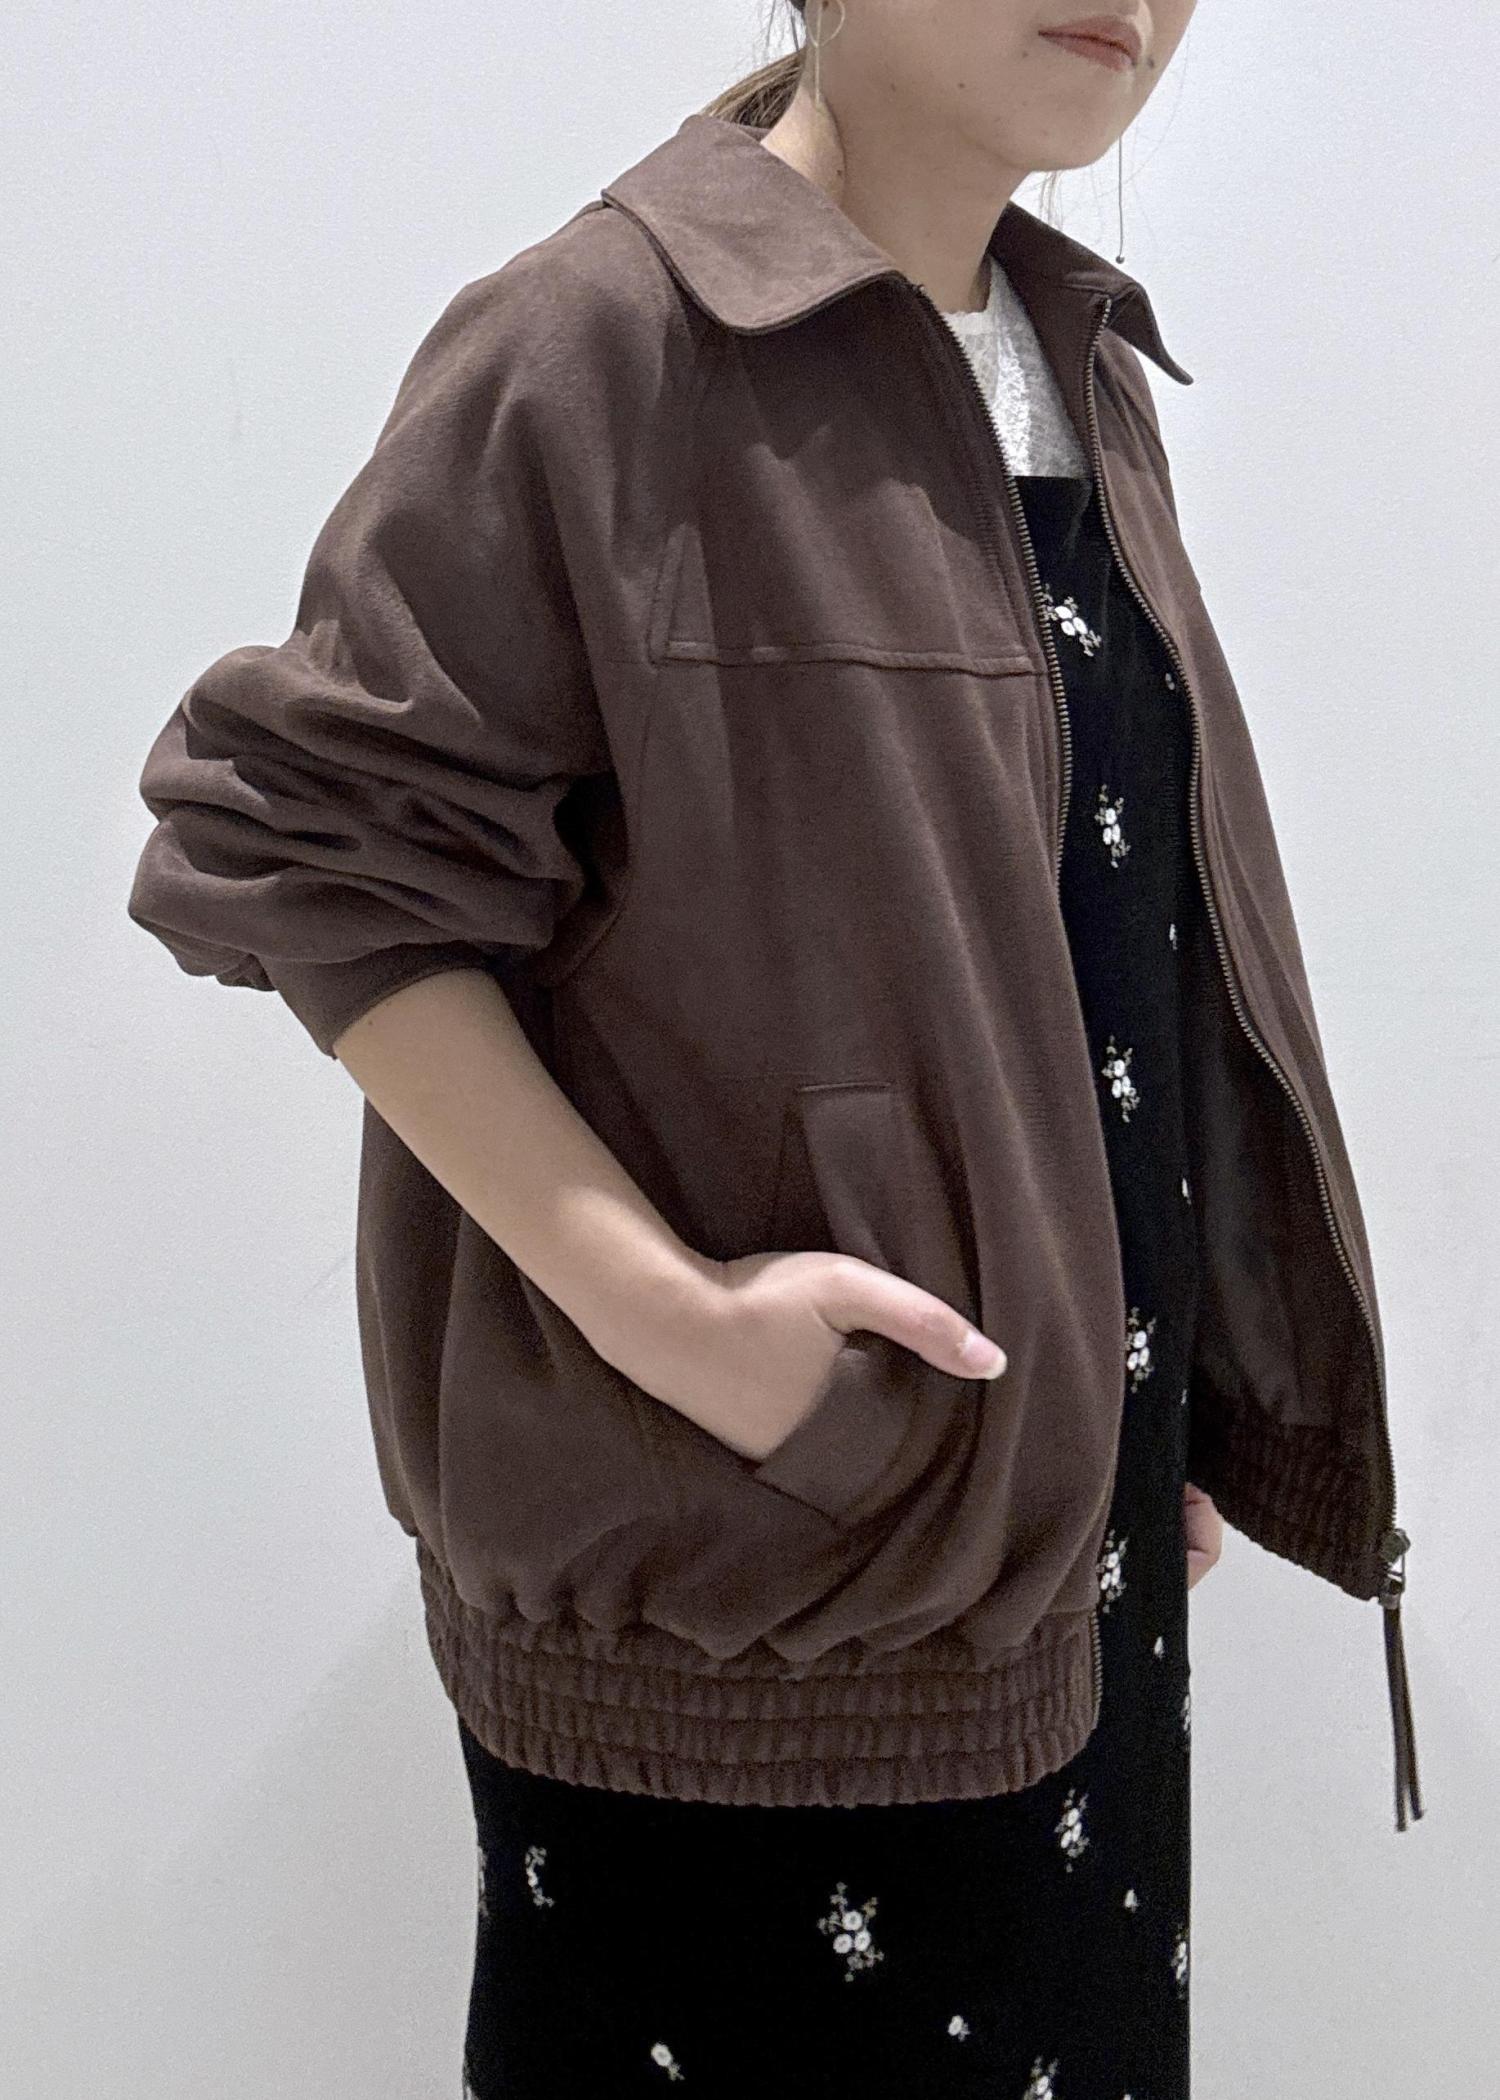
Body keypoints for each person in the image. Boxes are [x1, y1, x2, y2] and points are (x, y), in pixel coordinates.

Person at [127, 3, 1422, 2093]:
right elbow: (317, 859)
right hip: (743, 1612)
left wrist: (1142, 1384)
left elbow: (1077, 940)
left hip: (1046, 1565)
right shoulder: (599, 343)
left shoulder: (1077, 365)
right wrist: (681, 1325)